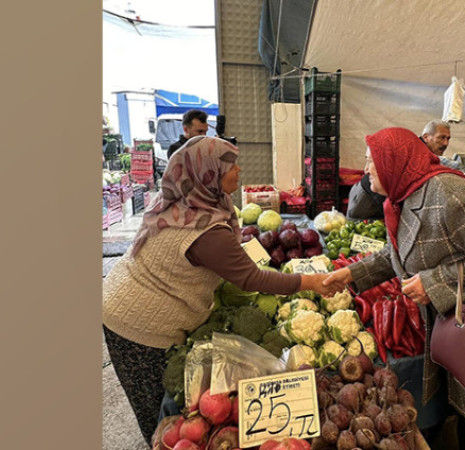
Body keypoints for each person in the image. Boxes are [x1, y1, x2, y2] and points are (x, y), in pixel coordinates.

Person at [103, 136, 338, 445]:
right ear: (208, 174)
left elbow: (233, 258)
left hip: (129, 296)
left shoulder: (191, 200)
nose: (239, 170)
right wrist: (311, 282)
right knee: (161, 419)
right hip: (138, 322)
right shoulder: (205, 230)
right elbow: (253, 280)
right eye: (230, 166)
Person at [324, 127, 465, 450]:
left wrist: (435, 282)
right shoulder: (404, 197)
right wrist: (352, 274)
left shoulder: (448, 192)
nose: (366, 170)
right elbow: (398, 252)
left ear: (393, 161)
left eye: (371, 162)